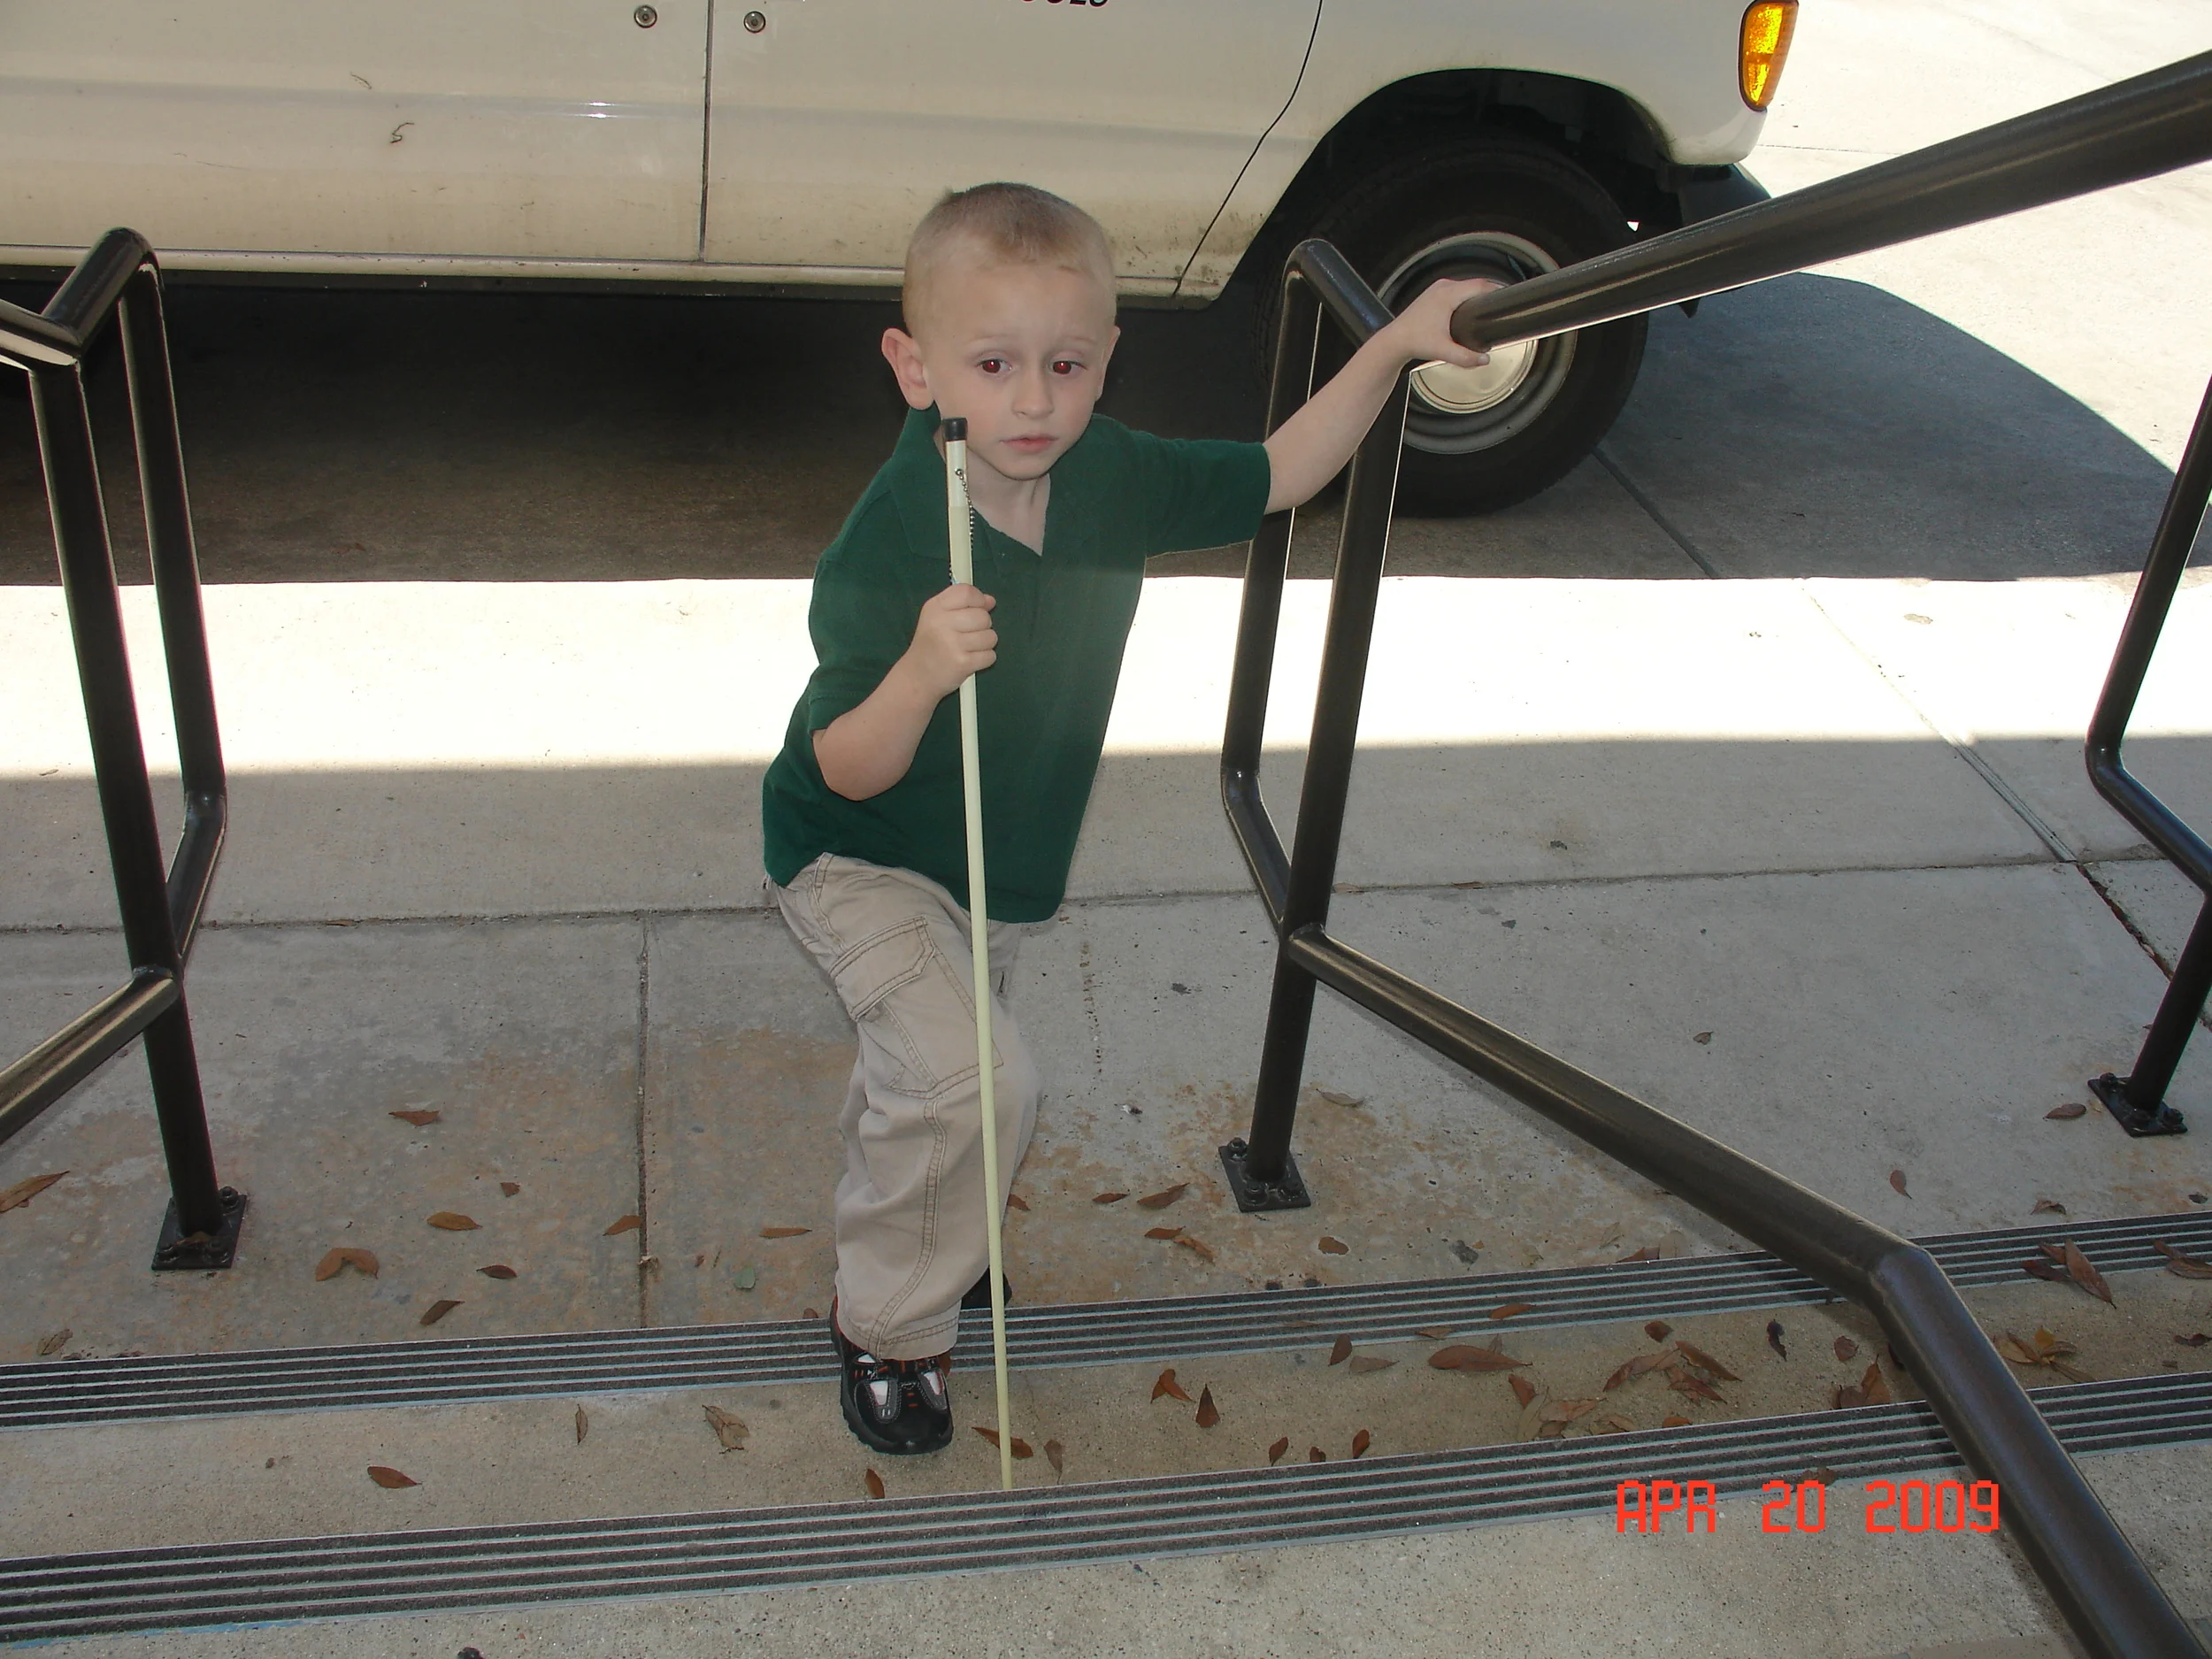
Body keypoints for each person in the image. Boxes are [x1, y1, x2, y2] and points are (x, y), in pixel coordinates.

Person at [761, 181, 1494, 1455]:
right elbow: (846, 762)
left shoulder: (1114, 476)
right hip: (854, 854)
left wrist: (1392, 344)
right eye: (992, 365)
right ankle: (887, 1323)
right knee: (975, 1077)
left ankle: (936, 1223)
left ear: (1108, 360)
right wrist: (923, 669)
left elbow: (1282, 473)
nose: (1033, 400)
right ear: (916, 367)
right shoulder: (893, 538)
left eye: (1066, 363)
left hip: (990, 862)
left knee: (931, 1080)